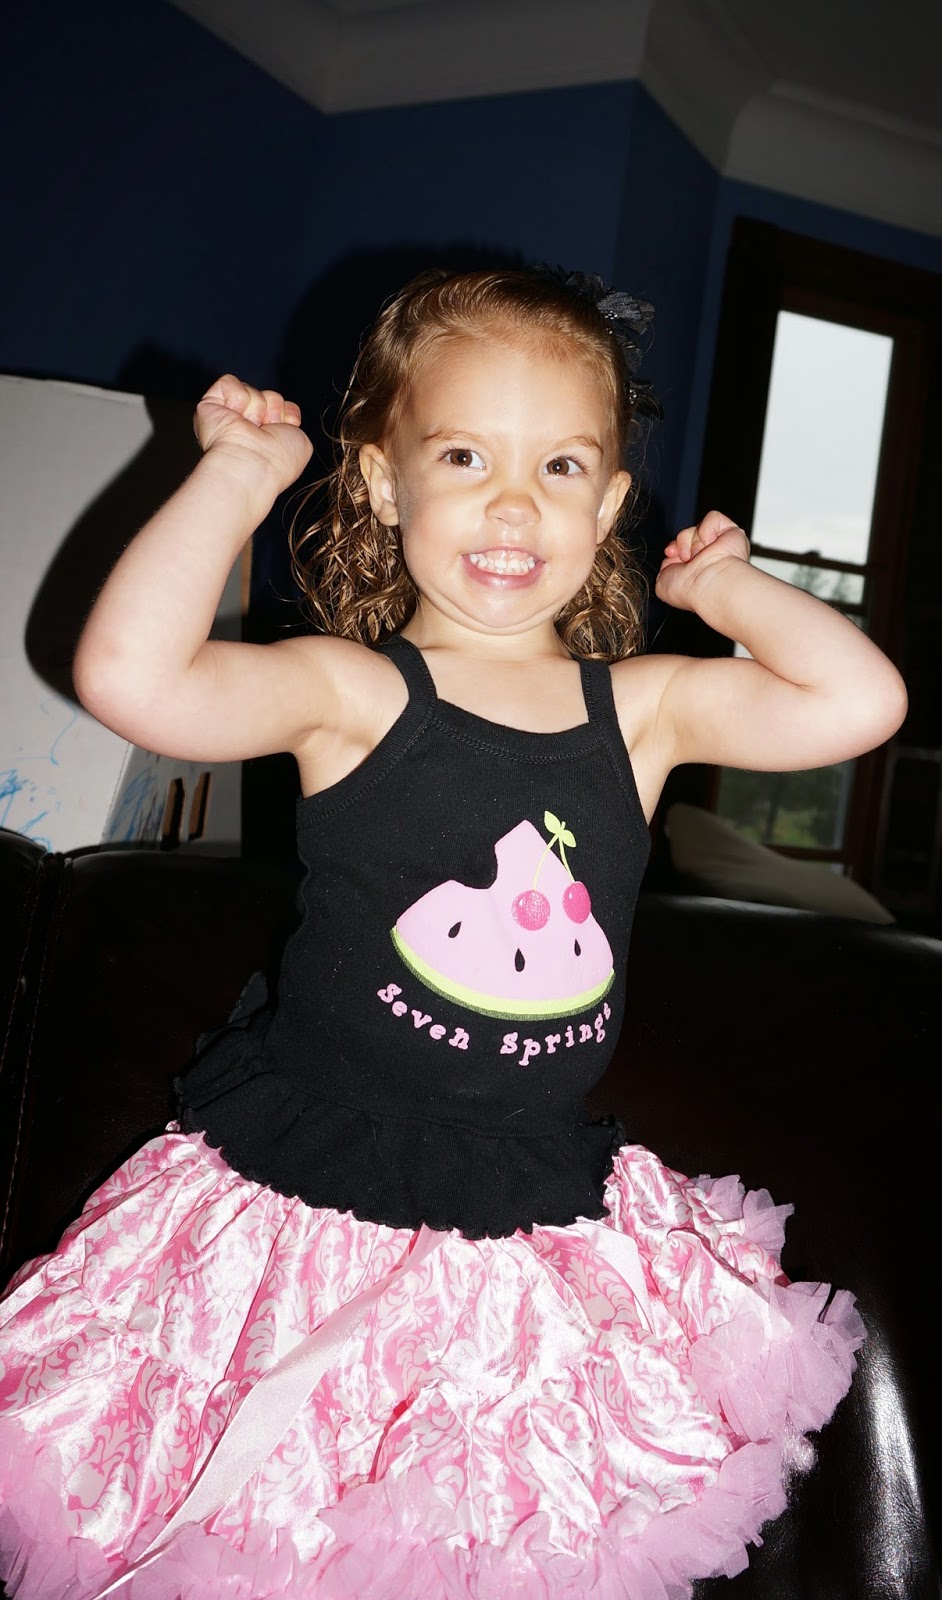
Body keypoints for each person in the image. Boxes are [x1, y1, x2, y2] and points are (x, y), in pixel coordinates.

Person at [0, 265, 906, 1600]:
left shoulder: (642, 709)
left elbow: (858, 704)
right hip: (298, 1201)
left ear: (607, 508)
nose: (513, 503)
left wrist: (732, 593)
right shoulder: (353, 691)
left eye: (560, 467)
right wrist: (236, 480)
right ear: (381, 483)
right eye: (466, 456)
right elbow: (130, 677)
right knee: (270, 1531)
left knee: (481, 1540)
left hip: (526, 1213)